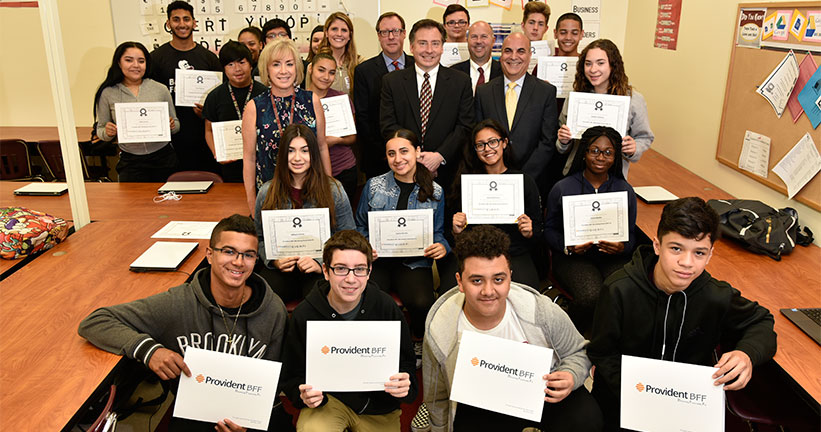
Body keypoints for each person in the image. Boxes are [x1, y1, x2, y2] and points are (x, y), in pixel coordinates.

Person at [78, 214, 290, 432]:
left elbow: (270, 383)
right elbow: (96, 321)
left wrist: (247, 426)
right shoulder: (178, 304)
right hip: (194, 413)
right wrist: (149, 351)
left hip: (249, 413)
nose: (238, 261)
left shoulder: (273, 310)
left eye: (248, 255)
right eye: (228, 251)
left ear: (256, 260)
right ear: (209, 254)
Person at [587, 197, 777, 430]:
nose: (687, 263)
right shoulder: (619, 289)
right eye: (676, 248)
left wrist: (747, 354)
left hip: (686, 405)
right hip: (625, 398)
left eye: (699, 253)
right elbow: (602, 353)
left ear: (710, 255)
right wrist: (642, 396)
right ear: (657, 246)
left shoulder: (715, 295)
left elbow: (762, 320)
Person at [417, 225, 602, 432]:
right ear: (460, 282)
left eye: (498, 279)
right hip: (481, 405)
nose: (488, 291)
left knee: (587, 418)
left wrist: (570, 375)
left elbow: (578, 351)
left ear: (510, 277)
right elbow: (437, 395)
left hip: (542, 393)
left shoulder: (540, 310)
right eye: (477, 280)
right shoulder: (441, 327)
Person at [280, 229, 418, 431]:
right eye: (341, 269)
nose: (351, 279)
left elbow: (406, 363)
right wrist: (301, 394)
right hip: (328, 401)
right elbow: (292, 374)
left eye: (360, 269)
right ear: (326, 271)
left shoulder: (386, 307)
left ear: (369, 272)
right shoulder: (305, 313)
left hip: (378, 406)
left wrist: (404, 384)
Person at [355, 129, 449, 351]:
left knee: (421, 302)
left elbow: (438, 232)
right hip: (378, 260)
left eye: (404, 151)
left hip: (414, 262)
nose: (398, 159)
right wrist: (366, 246)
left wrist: (441, 246)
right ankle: (379, 346)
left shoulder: (435, 190)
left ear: (417, 152)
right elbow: (359, 226)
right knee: (367, 299)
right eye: (391, 154)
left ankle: (416, 339)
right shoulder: (373, 186)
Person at [544, 126, 637, 334]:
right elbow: (548, 230)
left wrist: (621, 247)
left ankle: (607, 343)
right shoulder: (563, 187)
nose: (600, 157)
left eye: (608, 152)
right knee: (590, 295)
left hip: (612, 257)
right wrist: (568, 247)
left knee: (623, 291)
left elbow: (631, 236)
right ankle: (570, 338)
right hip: (572, 257)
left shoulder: (624, 190)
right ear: (584, 153)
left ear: (615, 157)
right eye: (594, 150)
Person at [439, 119, 543, 292]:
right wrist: (457, 230)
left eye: (493, 142)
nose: (487, 149)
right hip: (472, 253)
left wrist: (529, 232)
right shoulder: (465, 183)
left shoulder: (524, 182)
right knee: (448, 293)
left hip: (513, 252)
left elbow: (539, 232)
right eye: (480, 145)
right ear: (475, 150)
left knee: (529, 296)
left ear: (504, 143)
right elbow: (451, 237)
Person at [254, 124, 354, 303]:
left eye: (304, 151)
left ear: (313, 154)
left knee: (318, 301)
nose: (297, 158)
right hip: (281, 268)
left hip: (320, 268)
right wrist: (274, 260)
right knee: (264, 297)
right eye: (291, 151)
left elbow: (348, 237)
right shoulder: (266, 191)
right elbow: (259, 238)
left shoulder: (334, 190)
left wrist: (319, 262)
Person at [380, 19, 474, 193]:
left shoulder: (460, 82)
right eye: (422, 43)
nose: (429, 50)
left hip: (448, 174)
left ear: (442, 47)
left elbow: (465, 126)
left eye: (435, 43)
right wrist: (415, 157)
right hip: (404, 171)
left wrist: (439, 157)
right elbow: (388, 125)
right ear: (412, 46)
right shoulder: (392, 82)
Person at [242, 37, 331, 214]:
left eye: (289, 64)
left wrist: (329, 191)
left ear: (297, 68)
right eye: (276, 64)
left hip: (311, 195)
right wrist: (252, 203)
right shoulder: (255, 107)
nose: (284, 71)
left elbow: (321, 148)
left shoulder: (311, 101)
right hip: (270, 197)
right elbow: (250, 158)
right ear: (267, 69)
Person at [557, 39, 654, 180]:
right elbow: (562, 143)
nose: (593, 69)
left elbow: (644, 137)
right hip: (576, 174)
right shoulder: (575, 98)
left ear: (613, 65)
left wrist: (634, 148)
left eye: (600, 63)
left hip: (613, 177)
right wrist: (564, 141)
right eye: (588, 63)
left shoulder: (633, 99)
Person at [474, 32, 558, 196]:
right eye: (507, 51)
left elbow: (547, 141)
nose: (513, 57)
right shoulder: (484, 91)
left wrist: (522, 178)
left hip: (532, 182)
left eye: (520, 51)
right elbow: (478, 137)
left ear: (529, 55)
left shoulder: (545, 91)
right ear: (500, 54)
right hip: (491, 182)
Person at [150, 1, 222, 175]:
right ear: (168, 24)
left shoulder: (210, 59)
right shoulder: (155, 58)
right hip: (171, 138)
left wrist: (208, 111)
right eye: (176, 19)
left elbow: (220, 98)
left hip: (203, 136)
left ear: (194, 23)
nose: (182, 24)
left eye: (186, 19)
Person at [93, 41, 180, 182]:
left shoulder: (160, 89)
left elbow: (176, 125)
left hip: (163, 159)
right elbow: (101, 130)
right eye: (128, 60)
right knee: (133, 203)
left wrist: (171, 125)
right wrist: (108, 132)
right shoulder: (108, 93)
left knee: (168, 202)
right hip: (130, 162)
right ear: (119, 63)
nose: (135, 65)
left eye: (141, 61)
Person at [354, 11, 413, 179]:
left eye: (395, 31)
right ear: (378, 36)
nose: (391, 37)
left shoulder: (417, 65)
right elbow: (363, 117)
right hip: (378, 157)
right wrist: (389, 151)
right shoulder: (363, 71)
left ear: (404, 33)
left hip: (416, 155)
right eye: (384, 32)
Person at [202, 41, 267, 183]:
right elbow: (209, 130)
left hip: (262, 164)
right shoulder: (215, 96)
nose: (237, 69)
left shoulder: (265, 94)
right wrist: (217, 154)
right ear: (224, 68)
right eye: (230, 64)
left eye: (242, 62)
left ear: (251, 64)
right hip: (230, 166)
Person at [306, 51, 358, 205]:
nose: (326, 77)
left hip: (344, 169)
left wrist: (334, 140)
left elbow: (352, 137)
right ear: (310, 69)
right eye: (321, 70)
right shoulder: (299, 100)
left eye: (331, 72)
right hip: (310, 173)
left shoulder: (341, 99)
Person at [312, 12, 361, 95]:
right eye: (334, 29)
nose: (339, 34)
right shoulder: (314, 66)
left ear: (350, 35)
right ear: (326, 33)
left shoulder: (359, 64)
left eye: (344, 30)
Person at [450, 21, 501, 94]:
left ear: (493, 41)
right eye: (474, 37)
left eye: (484, 36)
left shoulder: (504, 72)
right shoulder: (453, 74)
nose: (478, 41)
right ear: (467, 41)